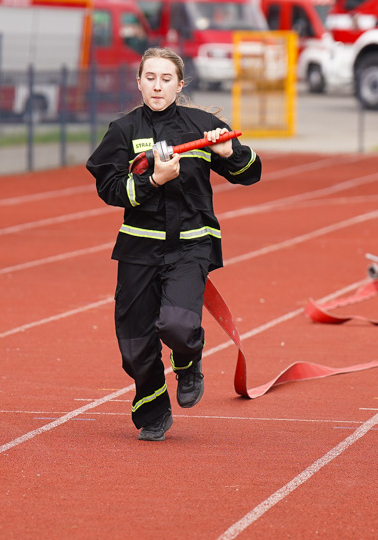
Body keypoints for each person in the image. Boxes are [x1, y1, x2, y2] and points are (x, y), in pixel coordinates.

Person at [86, 47, 262, 441]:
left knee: (179, 326)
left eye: (166, 79)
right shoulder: (122, 131)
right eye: (150, 78)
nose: (157, 86)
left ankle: (187, 361)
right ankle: (152, 409)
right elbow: (110, 188)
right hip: (138, 248)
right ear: (139, 82)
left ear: (180, 85)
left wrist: (230, 152)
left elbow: (251, 174)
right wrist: (153, 181)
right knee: (133, 343)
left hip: (191, 245)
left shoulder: (202, 125)